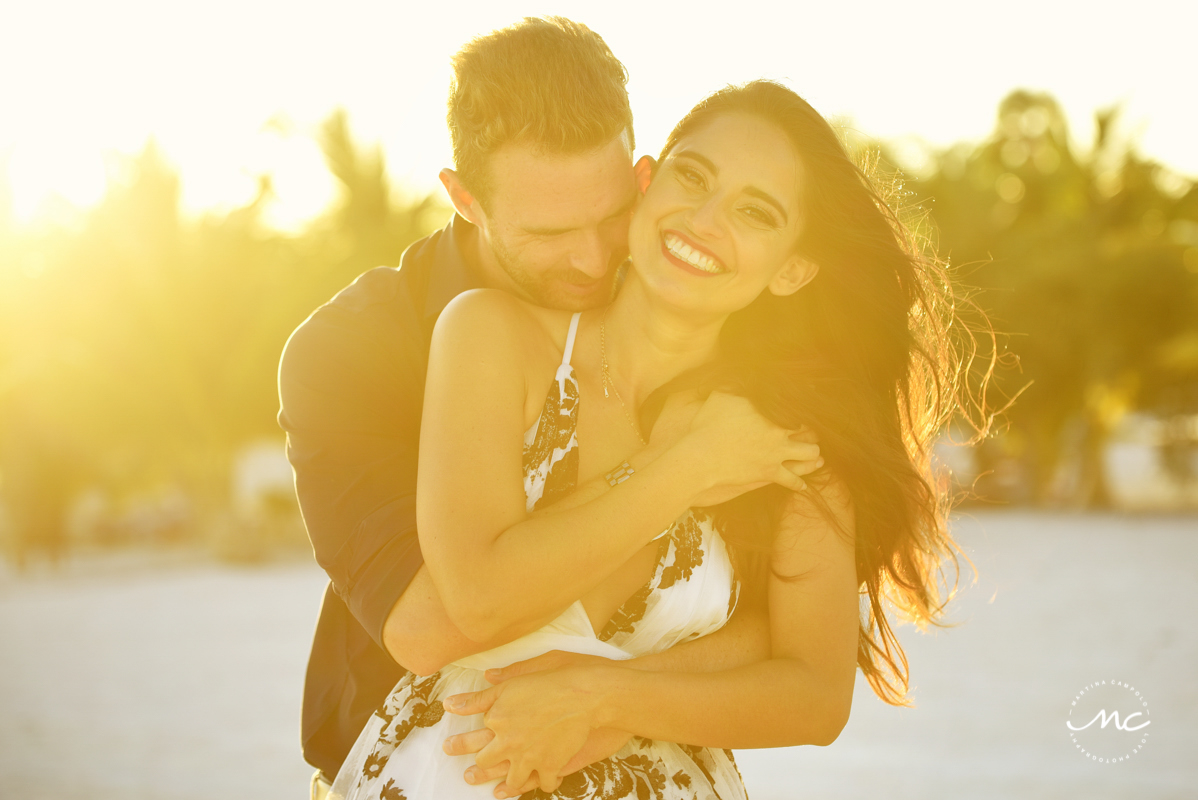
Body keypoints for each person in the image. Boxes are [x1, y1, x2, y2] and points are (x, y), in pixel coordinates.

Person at [326, 80, 982, 800]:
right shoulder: (490, 335)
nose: (703, 220)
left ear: (792, 270)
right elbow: (478, 597)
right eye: (693, 176)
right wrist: (689, 465)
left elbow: (816, 694)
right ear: (648, 180)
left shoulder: (791, 437)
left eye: (755, 213)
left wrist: (601, 698)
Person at [278, 18, 801, 799]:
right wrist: (680, 466)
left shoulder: (690, 302)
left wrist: (610, 701)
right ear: (464, 198)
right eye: (551, 233)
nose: (594, 262)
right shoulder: (352, 352)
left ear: (642, 173)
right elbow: (433, 625)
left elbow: (785, 631)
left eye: (610, 216)